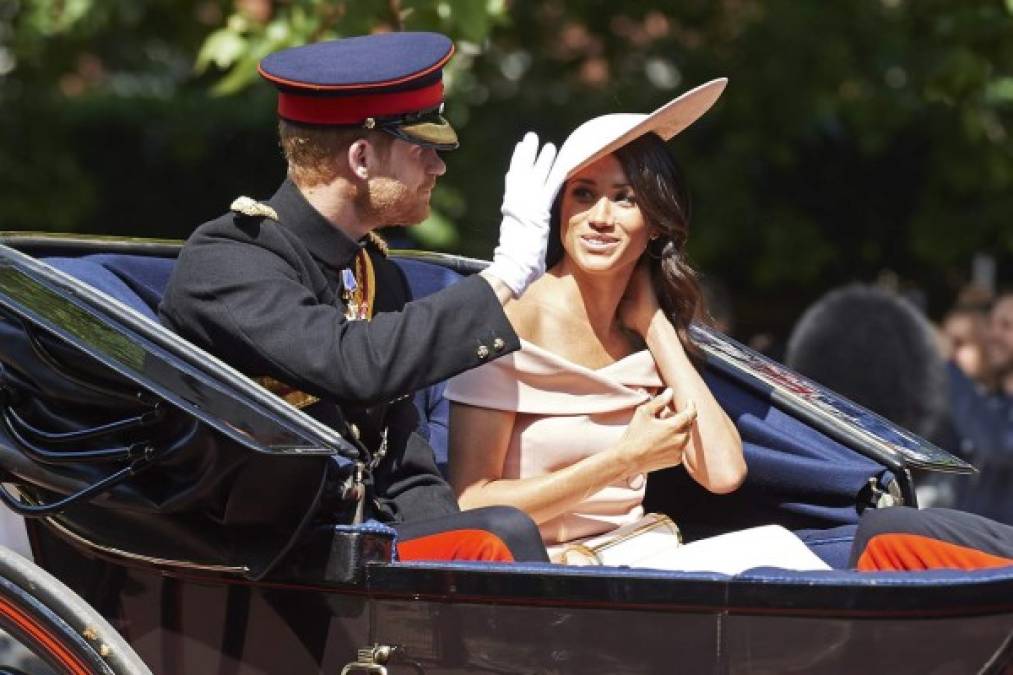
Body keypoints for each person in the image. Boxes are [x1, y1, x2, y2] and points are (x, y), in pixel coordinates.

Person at [159, 32, 560, 563]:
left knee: (497, 542)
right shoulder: (230, 259)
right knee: (502, 532)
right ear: (363, 157)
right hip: (263, 553)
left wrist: (462, 569)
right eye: (422, 151)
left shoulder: (372, 272)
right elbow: (354, 364)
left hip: (354, 549)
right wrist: (504, 277)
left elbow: (404, 468)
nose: (437, 168)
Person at [444, 82, 830, 573]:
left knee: (786, 561)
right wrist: (624, 460)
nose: (599, 218)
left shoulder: (643, 336)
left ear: (656, 223)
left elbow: (724, 471)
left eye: (624, 199)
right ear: (560, 209)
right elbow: (471, 506)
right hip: (544, 583)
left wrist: (656, 329)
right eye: (583, 195)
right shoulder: (509, 320)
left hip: (641, 563)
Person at [950, 291, 1013, 523]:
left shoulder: (982, 413)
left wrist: (949, 370)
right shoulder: (990, 403)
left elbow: (999, 445)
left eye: (1006, 326)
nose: (992, 334)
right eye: (991, 324)